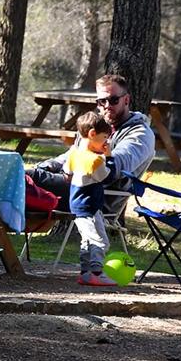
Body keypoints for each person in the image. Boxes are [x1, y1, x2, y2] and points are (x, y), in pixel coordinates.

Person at [28, 74, 155, 217]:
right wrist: (45, 166)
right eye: (102, 101)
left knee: (22, 178)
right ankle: (2, 231)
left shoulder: (141, 134)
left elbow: (114, 167)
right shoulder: (95, 126)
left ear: (126, 100)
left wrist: (74, 170)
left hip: (95, 197)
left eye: (113, 100)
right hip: (76, 186)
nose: (107, 106)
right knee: (24, 177)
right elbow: (71, 155)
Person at [62, 112, 117, 286]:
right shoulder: (95, 161)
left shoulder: (74, 153)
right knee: (100, 241)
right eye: (104, 138)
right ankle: (96, 272)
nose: (106, 142)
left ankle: (85, 273)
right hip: (90, 206)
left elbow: (67, 173)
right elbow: (108, 178)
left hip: (76, 206)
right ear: (93, 134)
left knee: (86, 240)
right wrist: (109, 157)